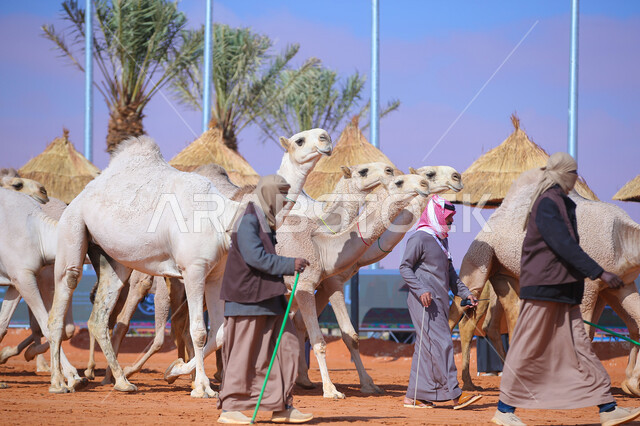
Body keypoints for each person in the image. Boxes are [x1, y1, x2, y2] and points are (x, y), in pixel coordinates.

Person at [491, 152, 640, 426]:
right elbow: (564, 245)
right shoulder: (547, 204)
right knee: (527, 348)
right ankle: (503, 411)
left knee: (581, 347)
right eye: (572, 173)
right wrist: (599, 272)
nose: (576, 178)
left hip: (564, 291)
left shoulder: (563, 204)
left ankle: (607, 408)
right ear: (562, 174)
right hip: (544, 290)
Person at [217, 175, 312, 425]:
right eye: (282, 195)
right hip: (248, 300)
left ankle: (281, 405)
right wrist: (290, 264)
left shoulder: (265, 222)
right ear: (270, 194)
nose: (285, 201)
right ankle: (231, 407)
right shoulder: (249, 220)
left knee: (288, 347)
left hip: (269, 299)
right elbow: (255, 258)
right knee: (244, 355)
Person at [399, 194, 482, 410]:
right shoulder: (419, 238)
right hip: (424, 302)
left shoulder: (441, 239)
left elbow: (451, 274)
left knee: (425, 347)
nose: (451, 224)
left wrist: (465, 294)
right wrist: (420, 289)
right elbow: (405, 267)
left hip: (439, 302)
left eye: (452, 220)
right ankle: (455, 395)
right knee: (443, 343)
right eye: (449, 220)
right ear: (437, 216)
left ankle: (414, 396)